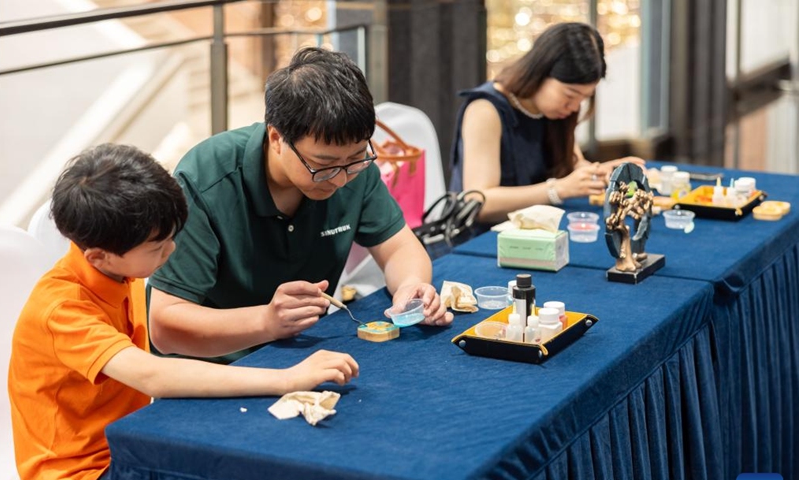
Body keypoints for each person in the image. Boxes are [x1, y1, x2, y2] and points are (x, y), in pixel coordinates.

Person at [8, 144, 359, 480]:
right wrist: (287, 379)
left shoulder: (121, 266)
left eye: (172, 238)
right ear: (98, 256)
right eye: (157, 247)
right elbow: (151, 376)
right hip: (85, 470)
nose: (172, 250)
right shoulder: (61, 309)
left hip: (138, 437)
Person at [147, 47, 453, 365]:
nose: (340, 179)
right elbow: (165, 326)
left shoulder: (353, 169)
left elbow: (400, 248)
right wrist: (266, 321)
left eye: (355, 159)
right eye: (324, 164)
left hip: (304, 353)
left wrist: (411, 286)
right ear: (277, 138)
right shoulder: (206, 178)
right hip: (214, 369)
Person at [450, 22, 646, 226]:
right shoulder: (486, 109)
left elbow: (573, 165)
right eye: (570, 95)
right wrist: (557, 190)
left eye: (584, 98)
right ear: (540, 73)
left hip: (540, 231)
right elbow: (478, 201)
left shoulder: (556, 111)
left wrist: (598, 174)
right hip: (483, 238)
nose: (574, 107)